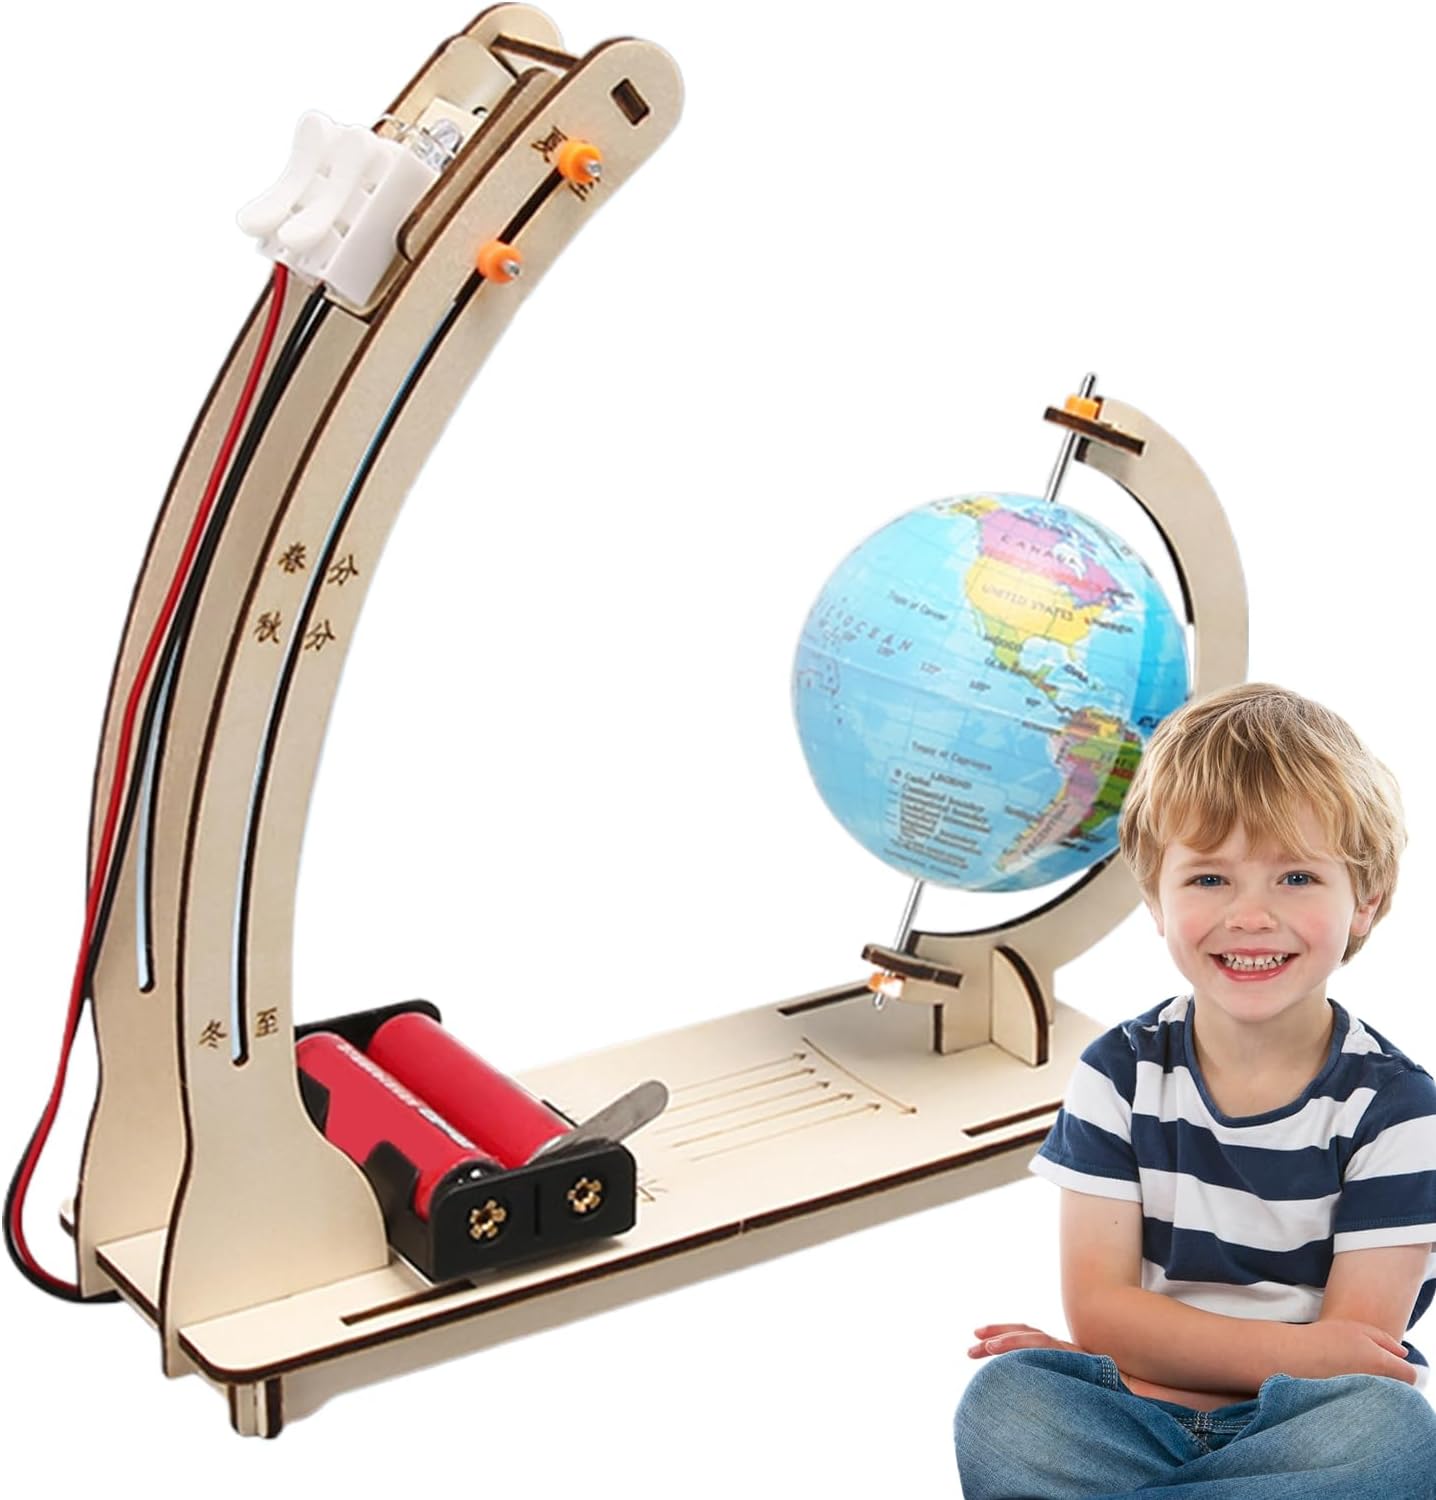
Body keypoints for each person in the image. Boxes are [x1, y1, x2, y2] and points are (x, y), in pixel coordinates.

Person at [953, 683, 1436, 1498]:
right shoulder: (1118, 1073)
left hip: (1301, 1431)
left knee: (1390, 1435)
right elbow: (1101, 1313)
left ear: (1367, 902)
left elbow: (1353, 1359)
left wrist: (1140, 1356)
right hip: (1138, 1410)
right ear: (1156, 899)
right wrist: (1121, 1371)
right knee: (1006, 1403)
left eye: (1296, 876)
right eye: (1210, 879)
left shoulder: (1399, 1111)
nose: (1250, 916)